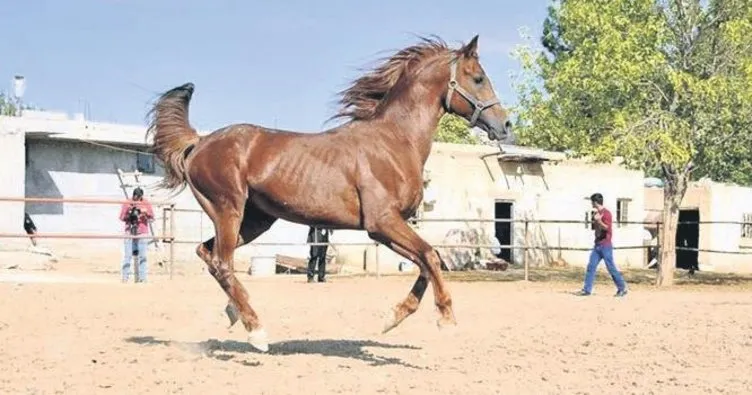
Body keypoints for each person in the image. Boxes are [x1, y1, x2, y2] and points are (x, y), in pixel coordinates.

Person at [578, 193, 628, 297]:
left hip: (606, 245)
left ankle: (622, 288)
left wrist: (599, 221)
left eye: (592, 202)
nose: (591, 203)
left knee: (610, 267)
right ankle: (587, 289)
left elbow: (607, 228)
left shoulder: (606, 213)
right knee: (591, 266)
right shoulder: (596, 214)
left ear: (595, 202)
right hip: (597, 245)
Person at [118, 187, 154, 283]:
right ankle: (125, 277)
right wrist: (129, 214)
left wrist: (145, 212)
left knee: (142, 256)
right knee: (128, 256)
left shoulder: (146, 203)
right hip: (129, 231)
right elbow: (121, 217)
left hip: (142, 231)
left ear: (141, 196)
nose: (136, 198)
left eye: (138, 197)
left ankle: (142, 278)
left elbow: (152, 216)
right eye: (135, 197)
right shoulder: (127, 203)